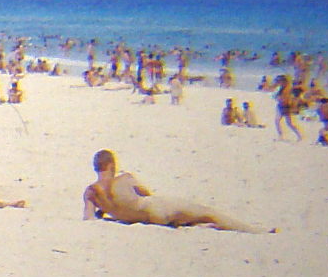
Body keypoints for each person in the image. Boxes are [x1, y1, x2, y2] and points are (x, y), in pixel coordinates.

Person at [83, 149, 265, 232]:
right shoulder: (125, 179)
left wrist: (106, 212)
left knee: (196, 219)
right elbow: (147, 194)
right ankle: (255, 231)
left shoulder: (92, 192)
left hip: (143, 219)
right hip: (154, 209)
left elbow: (89, 219)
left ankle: (199, 225)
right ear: (112, 165)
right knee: (208, 213)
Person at [273, 74, 302, 141]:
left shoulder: (287, 89)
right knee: (278, 121)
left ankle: (298, 135)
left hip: (285, 107)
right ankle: (281, 135)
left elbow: (287, 98)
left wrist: (280, 98)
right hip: (281, 106)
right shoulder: (282, 88)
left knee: (288, 123)